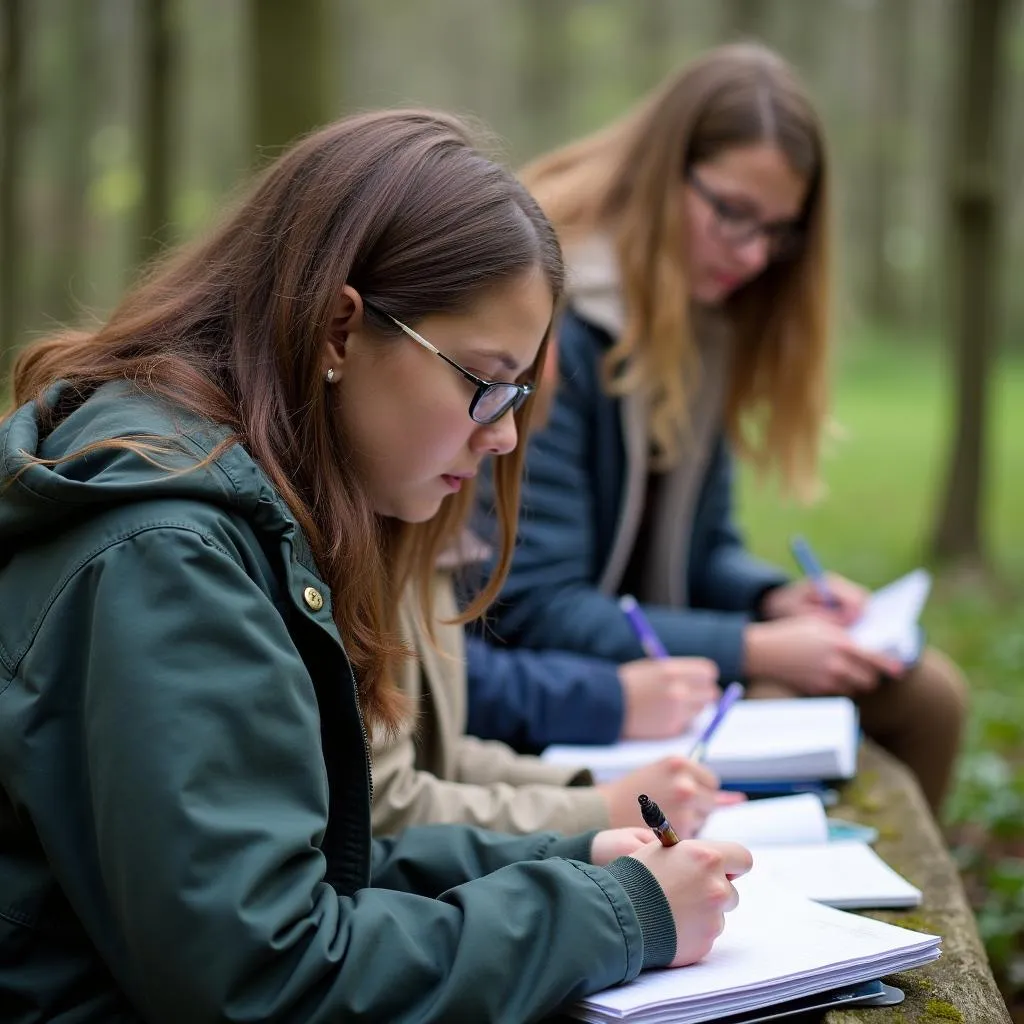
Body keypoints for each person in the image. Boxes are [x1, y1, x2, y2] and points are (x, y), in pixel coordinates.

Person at [0, 110, 752, 1023]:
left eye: (517, 394)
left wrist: (572, 862)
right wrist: (618, 915)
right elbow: (264, 978)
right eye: (485, 382)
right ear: (339, 329)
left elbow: (319, 867)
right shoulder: (170, 558)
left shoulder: (233, 511)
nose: (506, 432)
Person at [476, 43, 967, 814]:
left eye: (779, 232)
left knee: (925, 693)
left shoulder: (702, 327)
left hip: (665, 673)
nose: (753, 254)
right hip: (571, 691)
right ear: (663, 171)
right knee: (794, 708)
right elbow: (534, 606)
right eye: (733, 214)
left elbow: (702, 550)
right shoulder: (557, 326)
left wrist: (776, 601)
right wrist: (756, 649)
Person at [372, 535, 728, 839]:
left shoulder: (421, 524)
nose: (502, 448)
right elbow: (386, 808)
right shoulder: (386, 535)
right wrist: (600, 808)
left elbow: (441, 752)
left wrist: (592, 794)